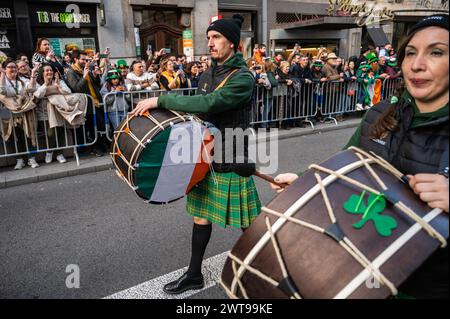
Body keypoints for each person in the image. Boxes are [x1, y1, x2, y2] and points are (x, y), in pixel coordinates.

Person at [271, 14, 449, 299]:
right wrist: (304, 181)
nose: (417, 64)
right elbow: (347, 165)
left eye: (436, 52)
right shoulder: (379, 114)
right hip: (362, 271)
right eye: (411, 53)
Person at [130, 14, 261, 295]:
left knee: (249, 226)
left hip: (231, 157)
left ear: (233, 44)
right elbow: (196, 111)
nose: (210, 43)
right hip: (204, 159)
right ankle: (193, 275)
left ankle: (266, 273)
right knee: (201, 217)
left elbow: (208, 103)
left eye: (216, 38)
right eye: (209, 37)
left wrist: (160, 99)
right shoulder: (206, 74)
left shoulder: (243, 79)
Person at [0, 58, 40, 169]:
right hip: (9, 115)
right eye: (10, 67)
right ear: (4, 69)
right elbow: (2, 91)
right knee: (15, 137)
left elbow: (31, 88)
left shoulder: (22, 80)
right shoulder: (3, 81)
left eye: (14, 67)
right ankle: (20, 160)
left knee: (28, 135)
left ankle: (32, 159)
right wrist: (2, 75)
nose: (13, 69)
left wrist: (32, 73)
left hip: (25, 113)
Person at [66, 50, 107, 156]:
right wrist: (84, 76)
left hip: (95, 102)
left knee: (99, 126)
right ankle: (94, 148)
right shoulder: (71, 72)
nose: (85, 61)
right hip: (85, 104)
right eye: (83, 59)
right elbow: (76, 88)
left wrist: (95, 75)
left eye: (86, 59)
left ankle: (100, 146)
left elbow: (97, 85)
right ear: (75, 59)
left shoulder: (87, 69)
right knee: (91, 128)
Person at [34, 63, 71, 164]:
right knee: (50, 134)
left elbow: (68, 92)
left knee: (60, 132)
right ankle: (49, 152)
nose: (49, 72)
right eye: (46, 70)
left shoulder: (59, 81)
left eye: (50, 70)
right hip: (45, 113)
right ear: (42, 73)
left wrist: (58, 86)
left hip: (59, 111)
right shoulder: (38, 83)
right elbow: (37, 95)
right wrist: (45, 85)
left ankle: (59, 154)